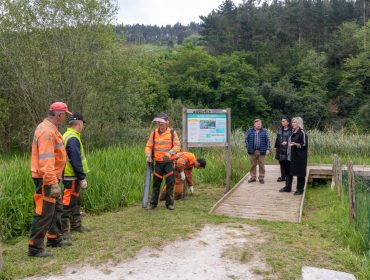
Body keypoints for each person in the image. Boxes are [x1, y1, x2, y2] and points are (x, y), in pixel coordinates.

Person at [28, 102, 72, 258]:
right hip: (46, 179)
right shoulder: (46, 132)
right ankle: (35, 248)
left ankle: (54, 239)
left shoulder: (50, 129)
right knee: (44, 212)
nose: (65, 118)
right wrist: (53, 183)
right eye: (65, 115)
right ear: (59, 115)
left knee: (56, 209)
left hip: (52, 177)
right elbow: (46, 161)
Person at [61, 113, 90, 243]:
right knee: (67, 204)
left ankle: (76, 225)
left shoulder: (68, 135)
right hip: (71, 176)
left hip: (71, 175)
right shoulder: (72, 138)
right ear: (80, 123)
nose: (83, 126)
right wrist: (82, 177)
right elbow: (75, 159)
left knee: (76, 201)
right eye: (83, 124)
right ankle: (64, 231)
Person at [145, 113, 181, 210]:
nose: (159, 124)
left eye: (161, 122)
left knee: (170, 183)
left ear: (167, 123)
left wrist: (169, 154)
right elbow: (149, 146)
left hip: (169, 162)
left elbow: (177, 146)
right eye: (158, 123)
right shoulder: (153, 133)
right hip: (158, 163)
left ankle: (169, 204)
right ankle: (153, 204)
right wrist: (148, 155)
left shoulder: (172, 133)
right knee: (156, 184)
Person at [279, 117, 308, 195]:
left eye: (294, 122)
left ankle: (299, 190)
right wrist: (287, 143)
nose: (293, 124)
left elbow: (304, 144)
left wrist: (295, 144)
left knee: (300, 173)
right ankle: (287, 188)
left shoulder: (302, 133)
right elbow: (290, 142)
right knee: (288, 172)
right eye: (292, 122)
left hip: (299, 157)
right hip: (290, 156)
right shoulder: (292, 132)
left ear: (299, 123)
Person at [245, 119, 270, 184]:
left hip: (261, 151)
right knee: (253, 165)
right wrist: (248, 147)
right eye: (257, 124)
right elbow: (246, 140)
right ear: (254, 124)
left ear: (261, 124)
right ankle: (253, 177)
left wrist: (268, 149)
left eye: (260, 124)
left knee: (261, 165)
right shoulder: (249, 131)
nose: (259, 125)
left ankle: (261, 177)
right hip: (252, 151)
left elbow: (268, 141)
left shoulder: (264, 131)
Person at [274, 116, 292, 182]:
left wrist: (287, 142)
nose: (282, 122)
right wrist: (275, 146)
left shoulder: (291, 130)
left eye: (284, 121)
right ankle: (282, 177)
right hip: (280, 149)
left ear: (288, 122)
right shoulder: (280, 129)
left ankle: (288, 177)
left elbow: (293, 139)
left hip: (287, 150)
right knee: (281, 163)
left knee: (287, 164)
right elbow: (277, 138)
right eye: (282, 121)